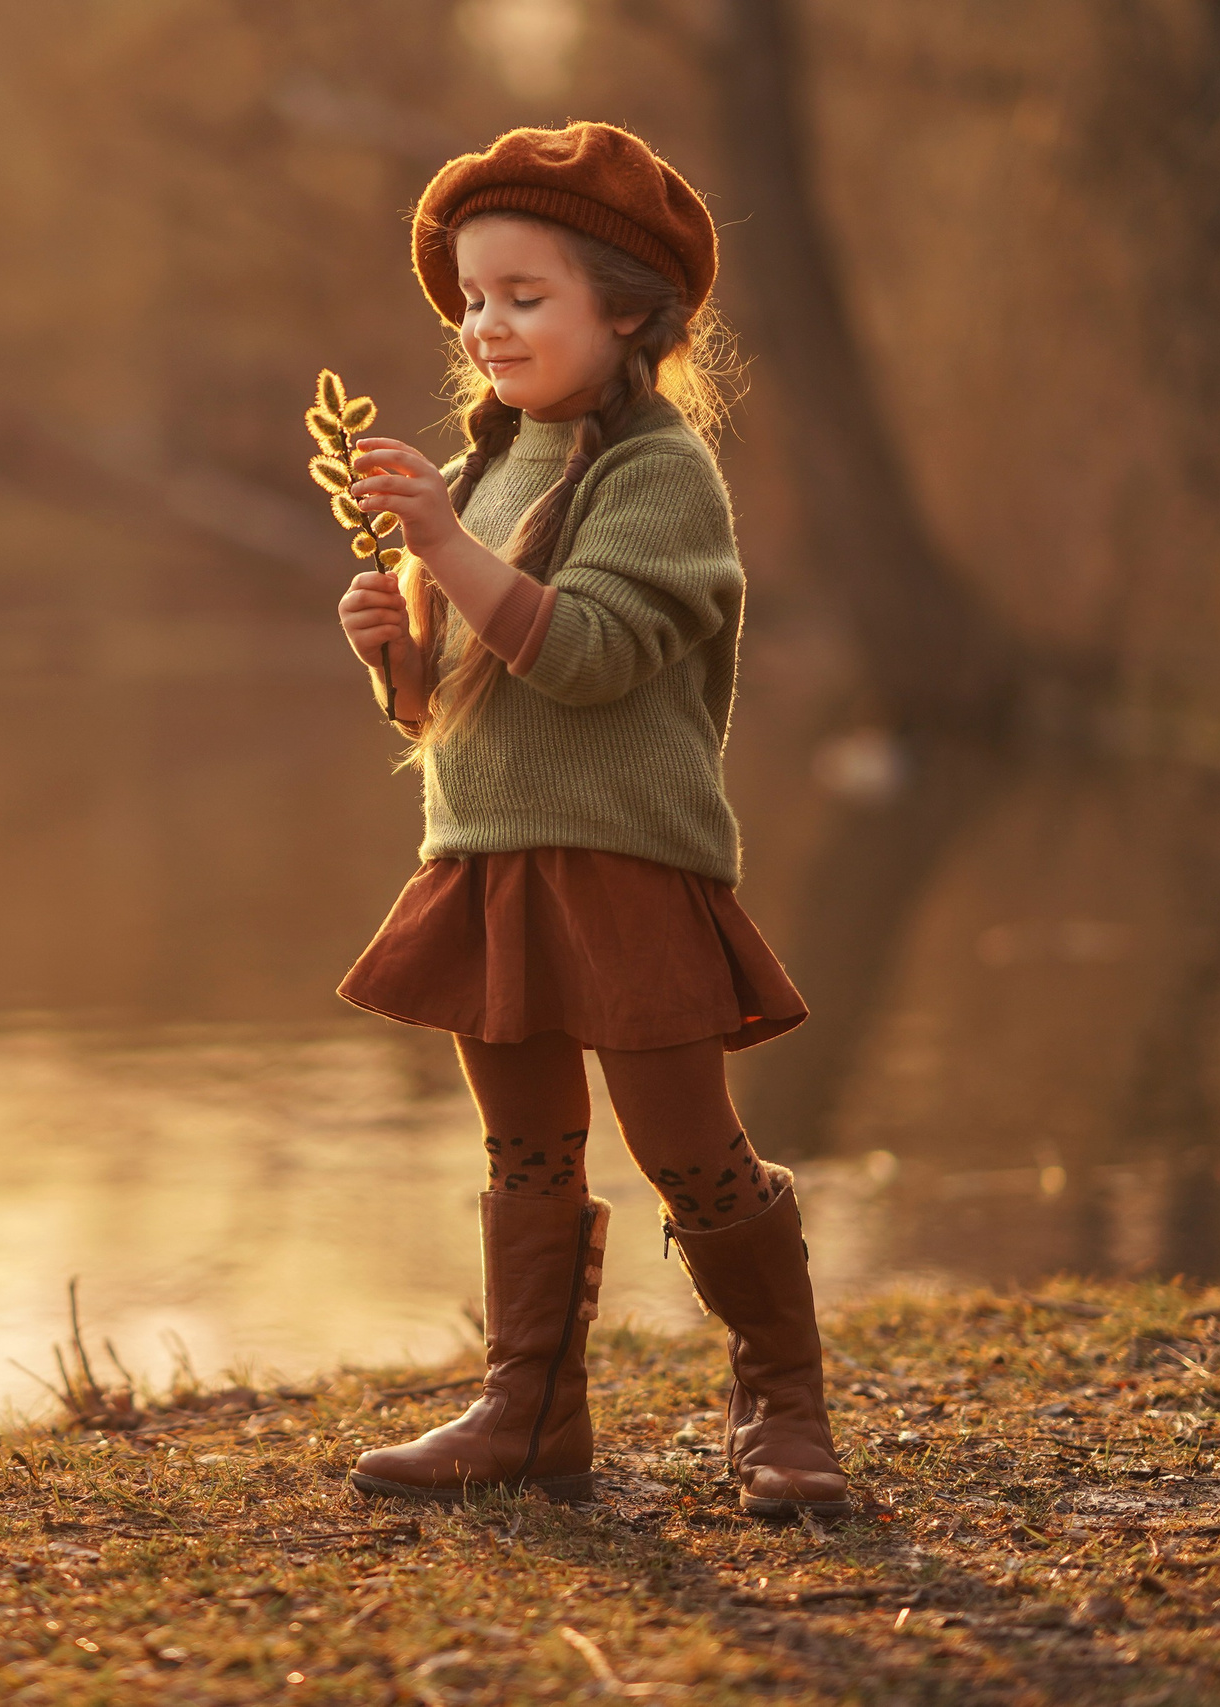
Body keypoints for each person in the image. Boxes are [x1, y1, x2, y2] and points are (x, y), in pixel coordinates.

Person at [331, 122, 846, 1522]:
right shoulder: (491, 468)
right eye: (473, 300)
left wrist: (443, 547)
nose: (487, 326)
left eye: (525, 295)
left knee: (690, 1149)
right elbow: (453, 708)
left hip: (625, 865)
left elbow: (590, 657)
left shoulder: (659, 475)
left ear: (624, 311)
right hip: (486, 861)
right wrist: (394, 652)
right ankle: (532, 1410)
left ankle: (784, 1403)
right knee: (526, 1150)